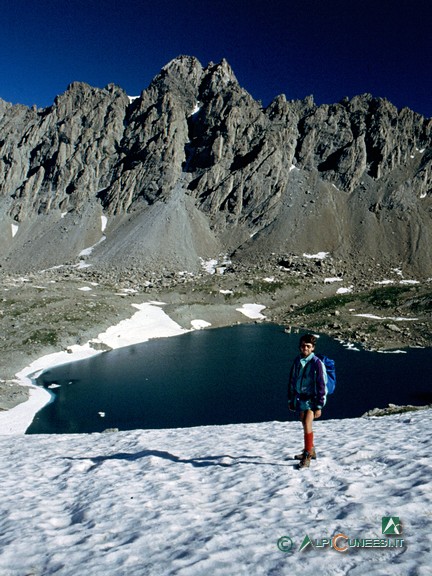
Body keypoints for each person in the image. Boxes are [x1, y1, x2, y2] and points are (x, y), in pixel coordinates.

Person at [288, 334, 327, 469]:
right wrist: (291, 399)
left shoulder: (316, 363)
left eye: (308, 346)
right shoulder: (298, 361)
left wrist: (319, 405)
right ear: (300, 346)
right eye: (303, 345)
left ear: (313, 348)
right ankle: (311, 449)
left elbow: (321, 384)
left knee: (306, 422)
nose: (305, 348)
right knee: (303, 421)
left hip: (312, 398)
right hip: (301, 397)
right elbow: (292, 380)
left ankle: (307, 456)